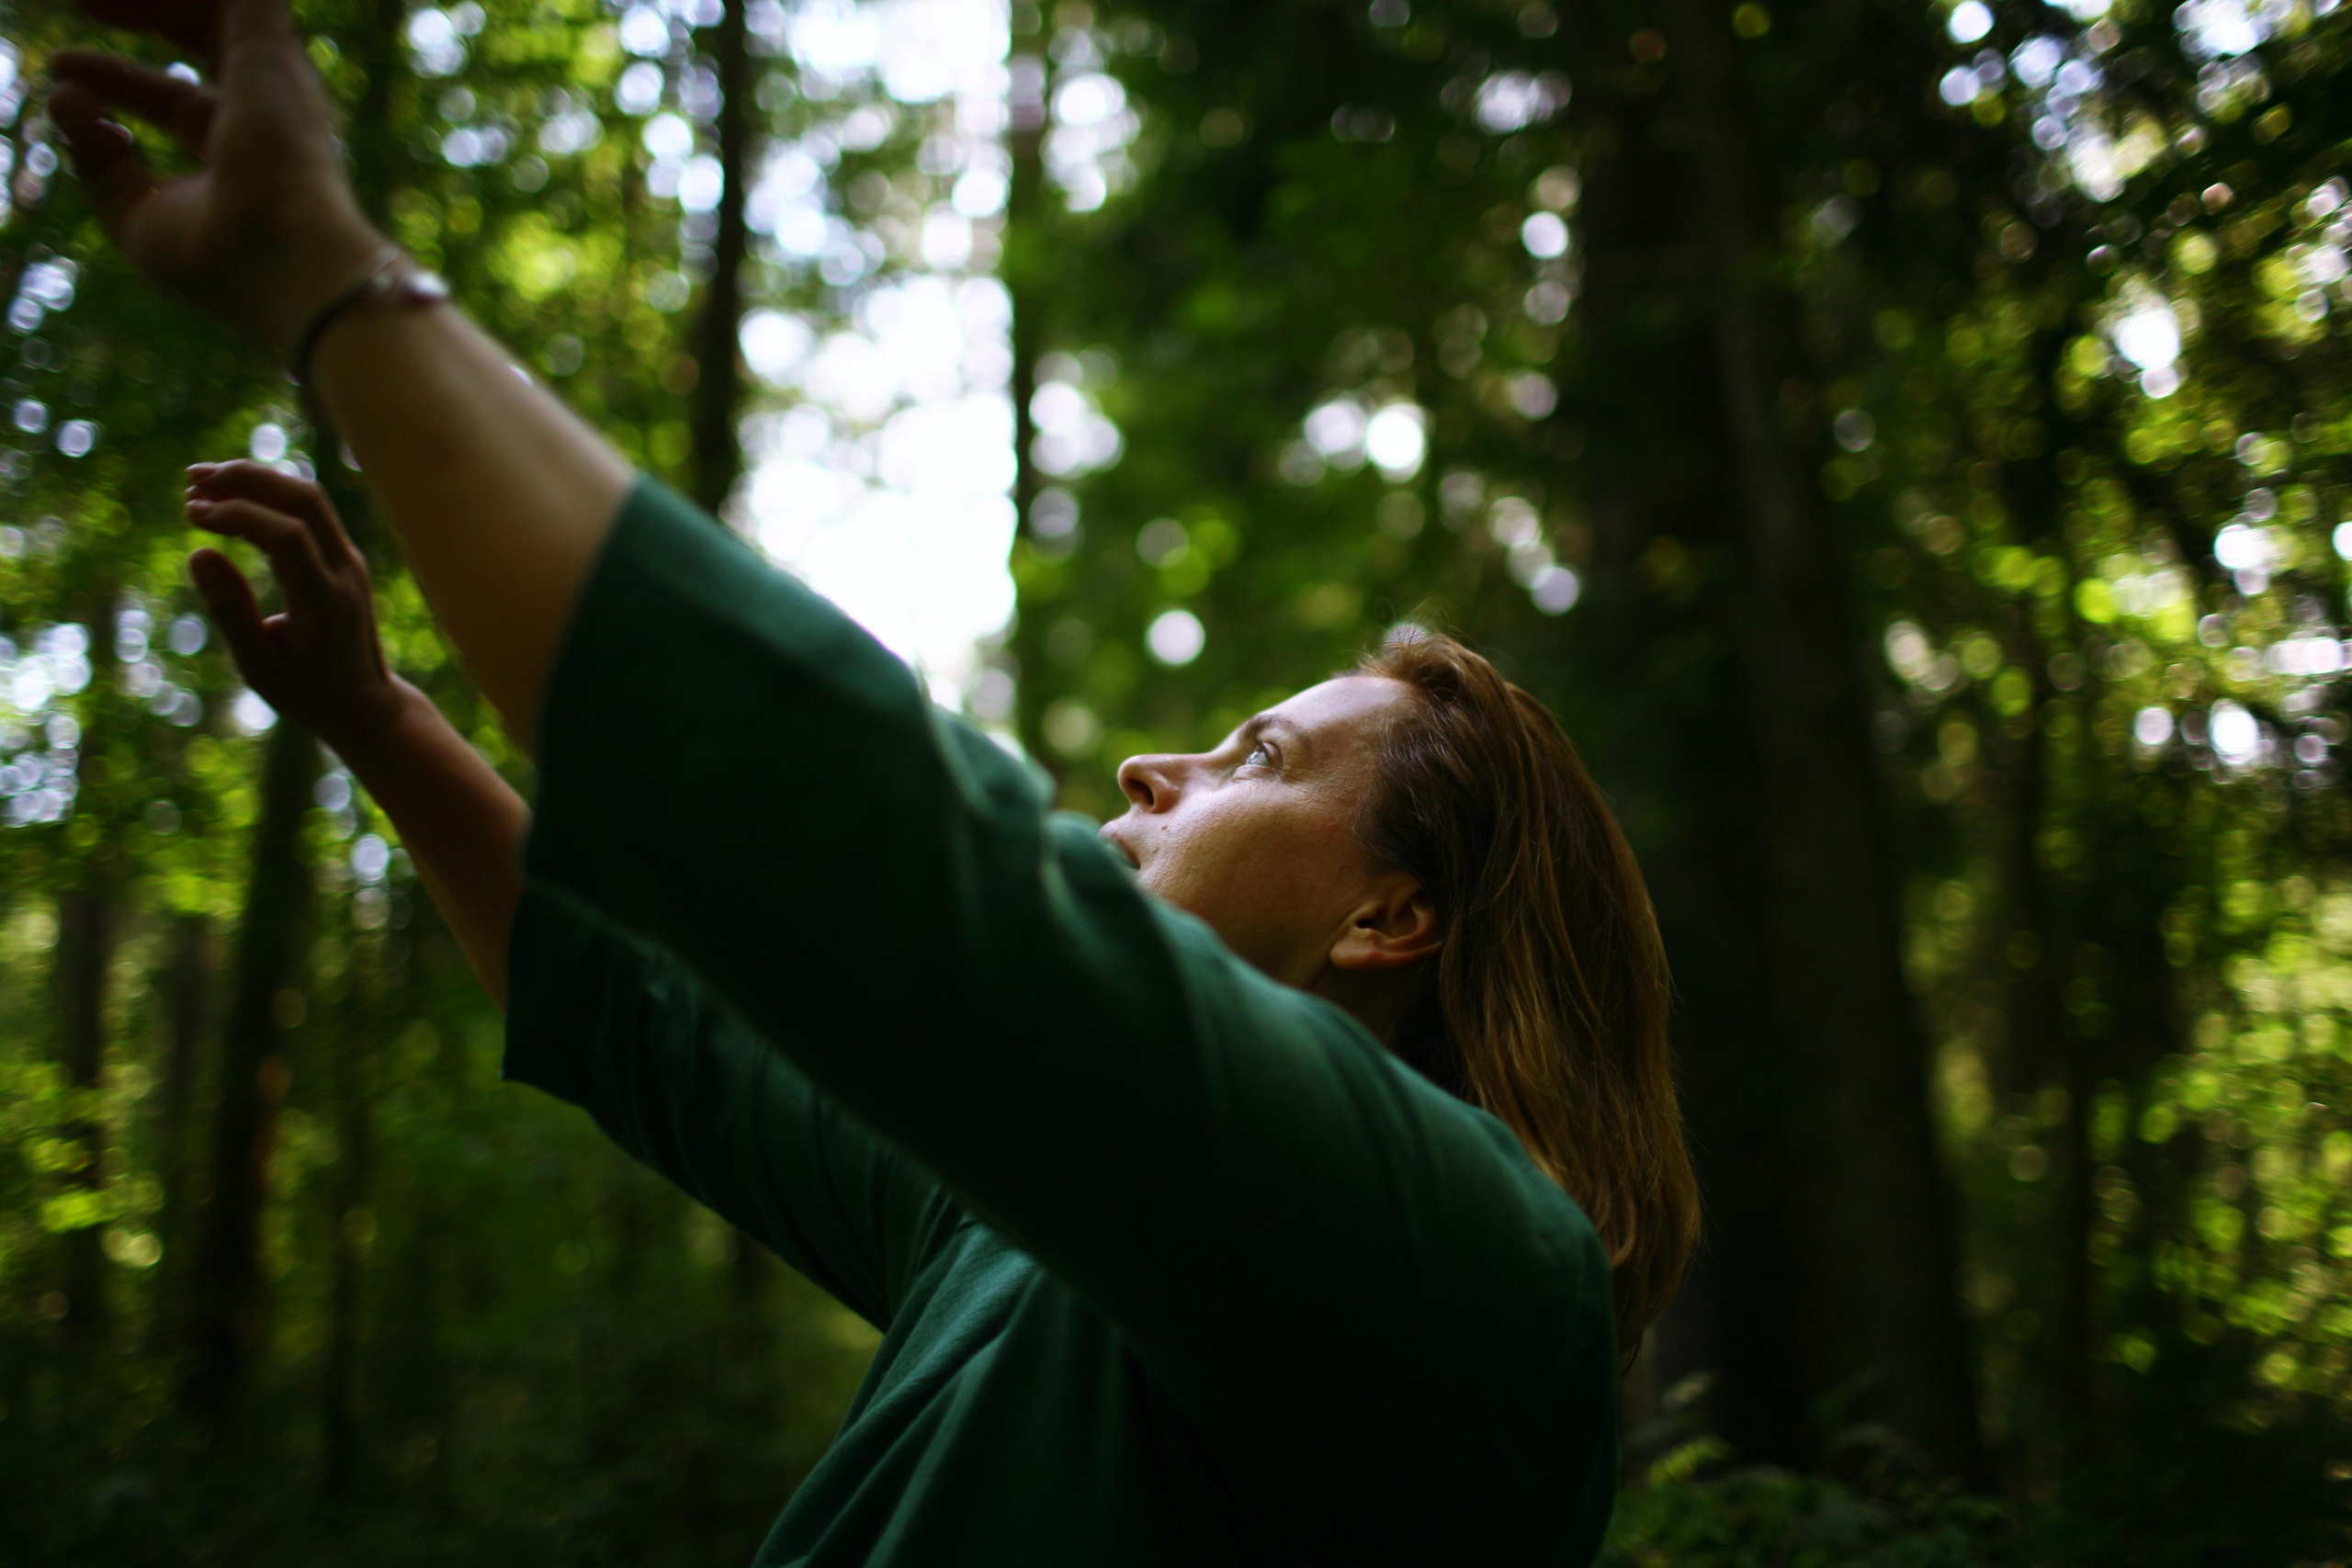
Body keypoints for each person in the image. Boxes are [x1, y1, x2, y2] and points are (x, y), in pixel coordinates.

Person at [50, 1, 1698, 1561]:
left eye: (1259, 756)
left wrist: (331, 284)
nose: (1153, 763)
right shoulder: (1031, 1225)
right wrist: (379, 719)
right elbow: (655, 1019)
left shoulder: (1468, 1277)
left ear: (1394, 913)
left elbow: (884, 859)